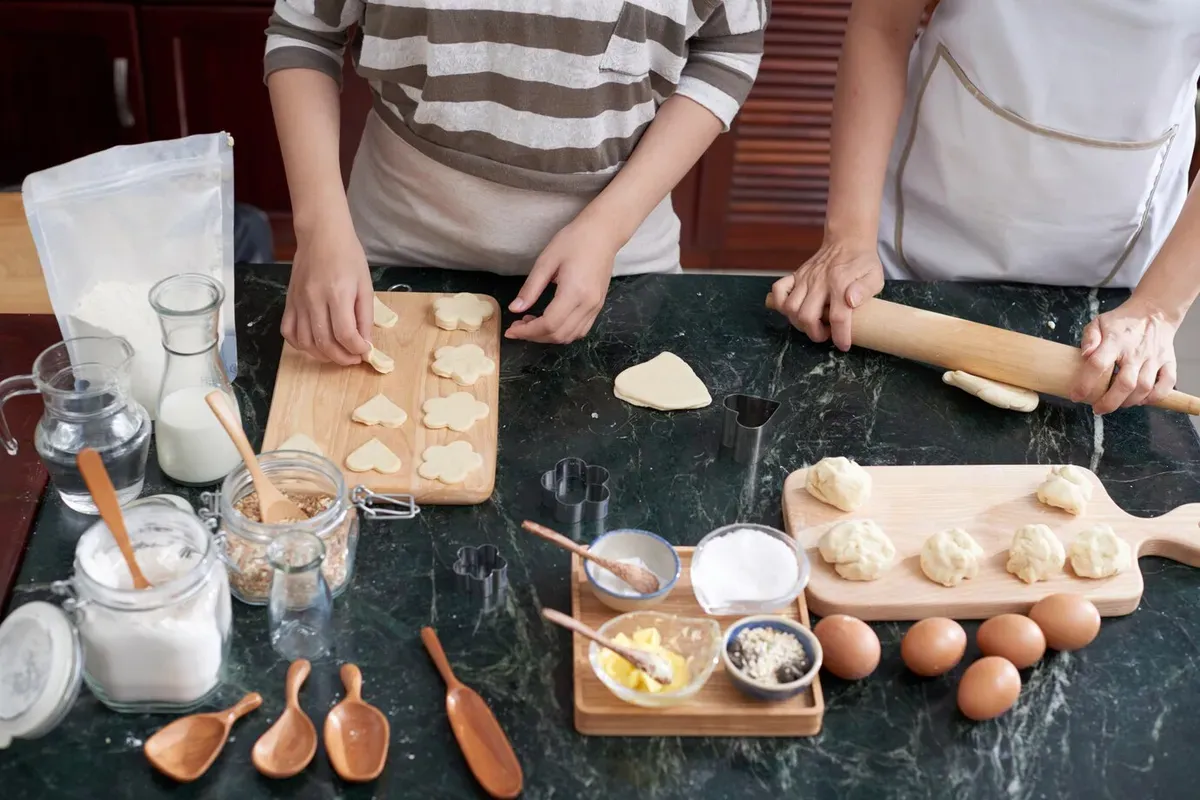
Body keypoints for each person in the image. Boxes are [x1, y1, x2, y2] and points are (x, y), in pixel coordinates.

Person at [264, 1, 767, 362]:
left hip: (621, 261)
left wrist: (608, 228)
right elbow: (306, 30)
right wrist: (318, 232)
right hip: (391, 247)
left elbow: (729, 46)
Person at [770, 0, 1200, 415]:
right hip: (925, 220)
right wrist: (848, 238)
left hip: (1111, 279)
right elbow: (882, 25)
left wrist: (1159, 308)